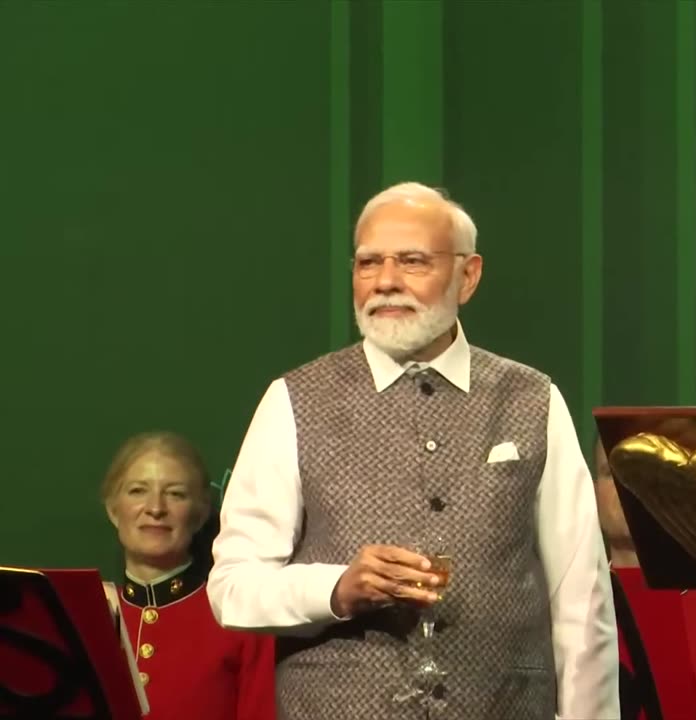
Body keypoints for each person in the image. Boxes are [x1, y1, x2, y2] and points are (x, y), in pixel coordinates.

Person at [208, 182, 618, 719]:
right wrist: (336, 588)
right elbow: (234, 586)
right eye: (367, 263)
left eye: (412, 261)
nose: (385, 282)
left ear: (467, 276)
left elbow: (582, 599)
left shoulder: (531, 399)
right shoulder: (295, 399)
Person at [100, 431, 275, 720]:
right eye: (137, 491)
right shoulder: (86, 618)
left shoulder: (241, 617)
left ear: (200, 512)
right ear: (113, 509)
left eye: (176, 494)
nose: (156, 508)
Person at [594, 438, 696, 720]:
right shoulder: (575, 610)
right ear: (591, 490)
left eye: (643, 473)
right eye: (612, 474)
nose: (626, 487)